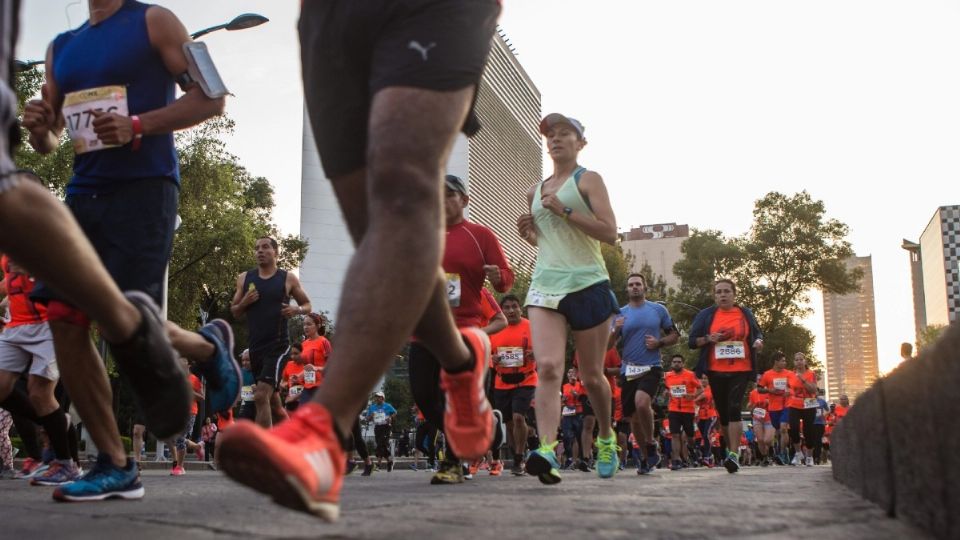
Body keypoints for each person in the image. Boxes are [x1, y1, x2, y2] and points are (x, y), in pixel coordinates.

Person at [218, 0, 502, 520]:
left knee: (400, 191)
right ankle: (463, 365)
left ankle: (324, 431)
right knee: (382, 238)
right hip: (331, 18)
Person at [17, 0, 241, 502]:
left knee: (129, 327)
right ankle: (114, 463)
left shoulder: (154, 21)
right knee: (63, 316)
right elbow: (49, 142)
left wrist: (137, 125)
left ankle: (207, 348)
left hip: (146, 189)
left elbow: (212, 100)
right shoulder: (62, 48)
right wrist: (38, 124)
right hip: (81, 196)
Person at [517, 113, 620, 484]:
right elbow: (549, 246)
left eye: (565, 134)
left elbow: (610, 233)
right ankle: (547, 449)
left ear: (580, 143)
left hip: (588, 282)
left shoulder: (588, 179)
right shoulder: (535, 190)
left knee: (592, 376)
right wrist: (530, 233)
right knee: (547, 367)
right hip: (545, 285)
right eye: (551, 135)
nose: (556, 139)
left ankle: (607, 438)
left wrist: (565, 210)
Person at [408, 173, 513, 485]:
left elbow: (506, 278)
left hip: (463, 329)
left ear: (464, 200)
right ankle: (486, 428)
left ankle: (453, 463)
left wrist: (497, 276)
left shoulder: (479, 235)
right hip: (424, 331)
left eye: (450, 194)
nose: (442, 200)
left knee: (454, 398)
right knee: (425, 397)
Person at [0, 255, 79, 485]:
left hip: (47, 323)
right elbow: (9, 282)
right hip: (16, 327)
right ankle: (54, 421)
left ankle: (66, 464)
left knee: (39, 393)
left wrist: (35, 263)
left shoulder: (38, 233)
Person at [230, 237, 312, 427]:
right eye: (257, 248)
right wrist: (245, 302)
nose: (260, 251)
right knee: (274, 405)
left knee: (260, 395)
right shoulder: (245, 278)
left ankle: (263, 453)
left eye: (265, 247)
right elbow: (235, 311)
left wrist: (296, 310)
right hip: (255, 348)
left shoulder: (287, 278)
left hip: (278, 346)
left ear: (276, 252)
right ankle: (292, 441)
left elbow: (307, 305)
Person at [688, 278, 763, 474]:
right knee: (723, 414)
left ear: (734, 294)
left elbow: (757, 334)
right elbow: (692, 341)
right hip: (715, 370)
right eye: (719, 292)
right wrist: (708, 338)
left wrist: (758, 342)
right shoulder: (706, 315)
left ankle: (734, 454)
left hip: (741, 368)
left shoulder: (745, 313)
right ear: (714, 295)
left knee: (734, 407)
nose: (722, 295)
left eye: (726, 291)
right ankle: (731, 450)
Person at [609, 273, 679, 474]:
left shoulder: (658, 310)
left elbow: (674, 335)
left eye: (638, 284)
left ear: (645, 287)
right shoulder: (620, 314)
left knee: (642, 402)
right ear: (627, 289)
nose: (635, 287)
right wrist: (615, 331)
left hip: (651, 367)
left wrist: (659, 343)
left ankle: (650, 443)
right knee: (632, 417)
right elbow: (608, 346)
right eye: (631, 285)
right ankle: (646, 456)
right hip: (628, 369)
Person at [489, 294, 536, 476]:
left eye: (514, 306)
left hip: (526, 378)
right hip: (502, 381)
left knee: (518, 417)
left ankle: (518, 458)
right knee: (508, 423)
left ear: (520, 309)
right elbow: (487, 353)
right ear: (501, 310)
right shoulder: (495, 329)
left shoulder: (531, 327)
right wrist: (492, 359)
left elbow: (544, 348)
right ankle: (520, 450)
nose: (510, 310)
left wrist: (536, 354)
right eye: (506, 307)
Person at [663, 354, 702, 471]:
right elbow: (667, 388)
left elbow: (700, 388)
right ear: (671, 364)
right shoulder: (668, 376)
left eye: (679, 362)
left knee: (689, 436)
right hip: (673, 409)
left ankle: (692, 448)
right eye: (674, 362)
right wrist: (666, 392)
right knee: (675, 434)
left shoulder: (690, 375)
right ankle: (676, 460)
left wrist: (693, 395)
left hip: (688, 409)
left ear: (683, 363)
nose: (676, 364)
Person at [169, 359, 204, 476]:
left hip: (190, 412)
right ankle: (197, 446)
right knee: (174, 437)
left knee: (179, 438)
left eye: (182, 362)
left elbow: (202, 397)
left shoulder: (194, 379)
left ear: (188, 365)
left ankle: (180, 467)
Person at [786, 353, 818, 467]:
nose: (799, 362)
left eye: (801, 359)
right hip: (794, 404)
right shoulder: (790, 374)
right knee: (793, 428)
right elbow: (788, 387)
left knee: (808, 431)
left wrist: (803, 380)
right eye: (796, 360)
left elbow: (814, 389)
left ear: (805, 361)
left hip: (809, 404)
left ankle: (809, 456)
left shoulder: (811, 373)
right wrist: (787, 392)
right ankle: (798, 453)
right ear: (794, 362)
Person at [299, 313, 332, 403]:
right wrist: (298, 377)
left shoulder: (323, 342)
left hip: (322, 387)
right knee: (303, 414)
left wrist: (316, 368)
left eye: (309, 324)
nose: (305, 327)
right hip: (307, 386)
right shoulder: (303, 344)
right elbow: (306, 367)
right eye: (304, 324)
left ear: (318, 326)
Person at [365, 392, 397, 472]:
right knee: (381, 444)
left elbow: (395, 412)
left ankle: (378, 464)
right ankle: (390, 461)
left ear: (383, 398)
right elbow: (367, 418)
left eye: (379, 397)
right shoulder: (372, 407)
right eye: (376, 397)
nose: (377, 398)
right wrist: (371, 416)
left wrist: (390, 417)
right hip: (377, 427)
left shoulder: (388, 406)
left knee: (381, 444)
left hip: (386, 427)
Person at [747, 377, 775, 466]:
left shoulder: (769, 391)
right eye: (757, 381)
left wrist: (769, 402)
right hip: (757, 418)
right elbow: (749, 406)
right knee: (760, 440)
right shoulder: (752, 393)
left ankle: (770, 452)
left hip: (769, 418)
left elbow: (776, 404)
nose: (759, 383)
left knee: (767, 440)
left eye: (761, 381)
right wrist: (752, 406)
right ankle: (765, 457)